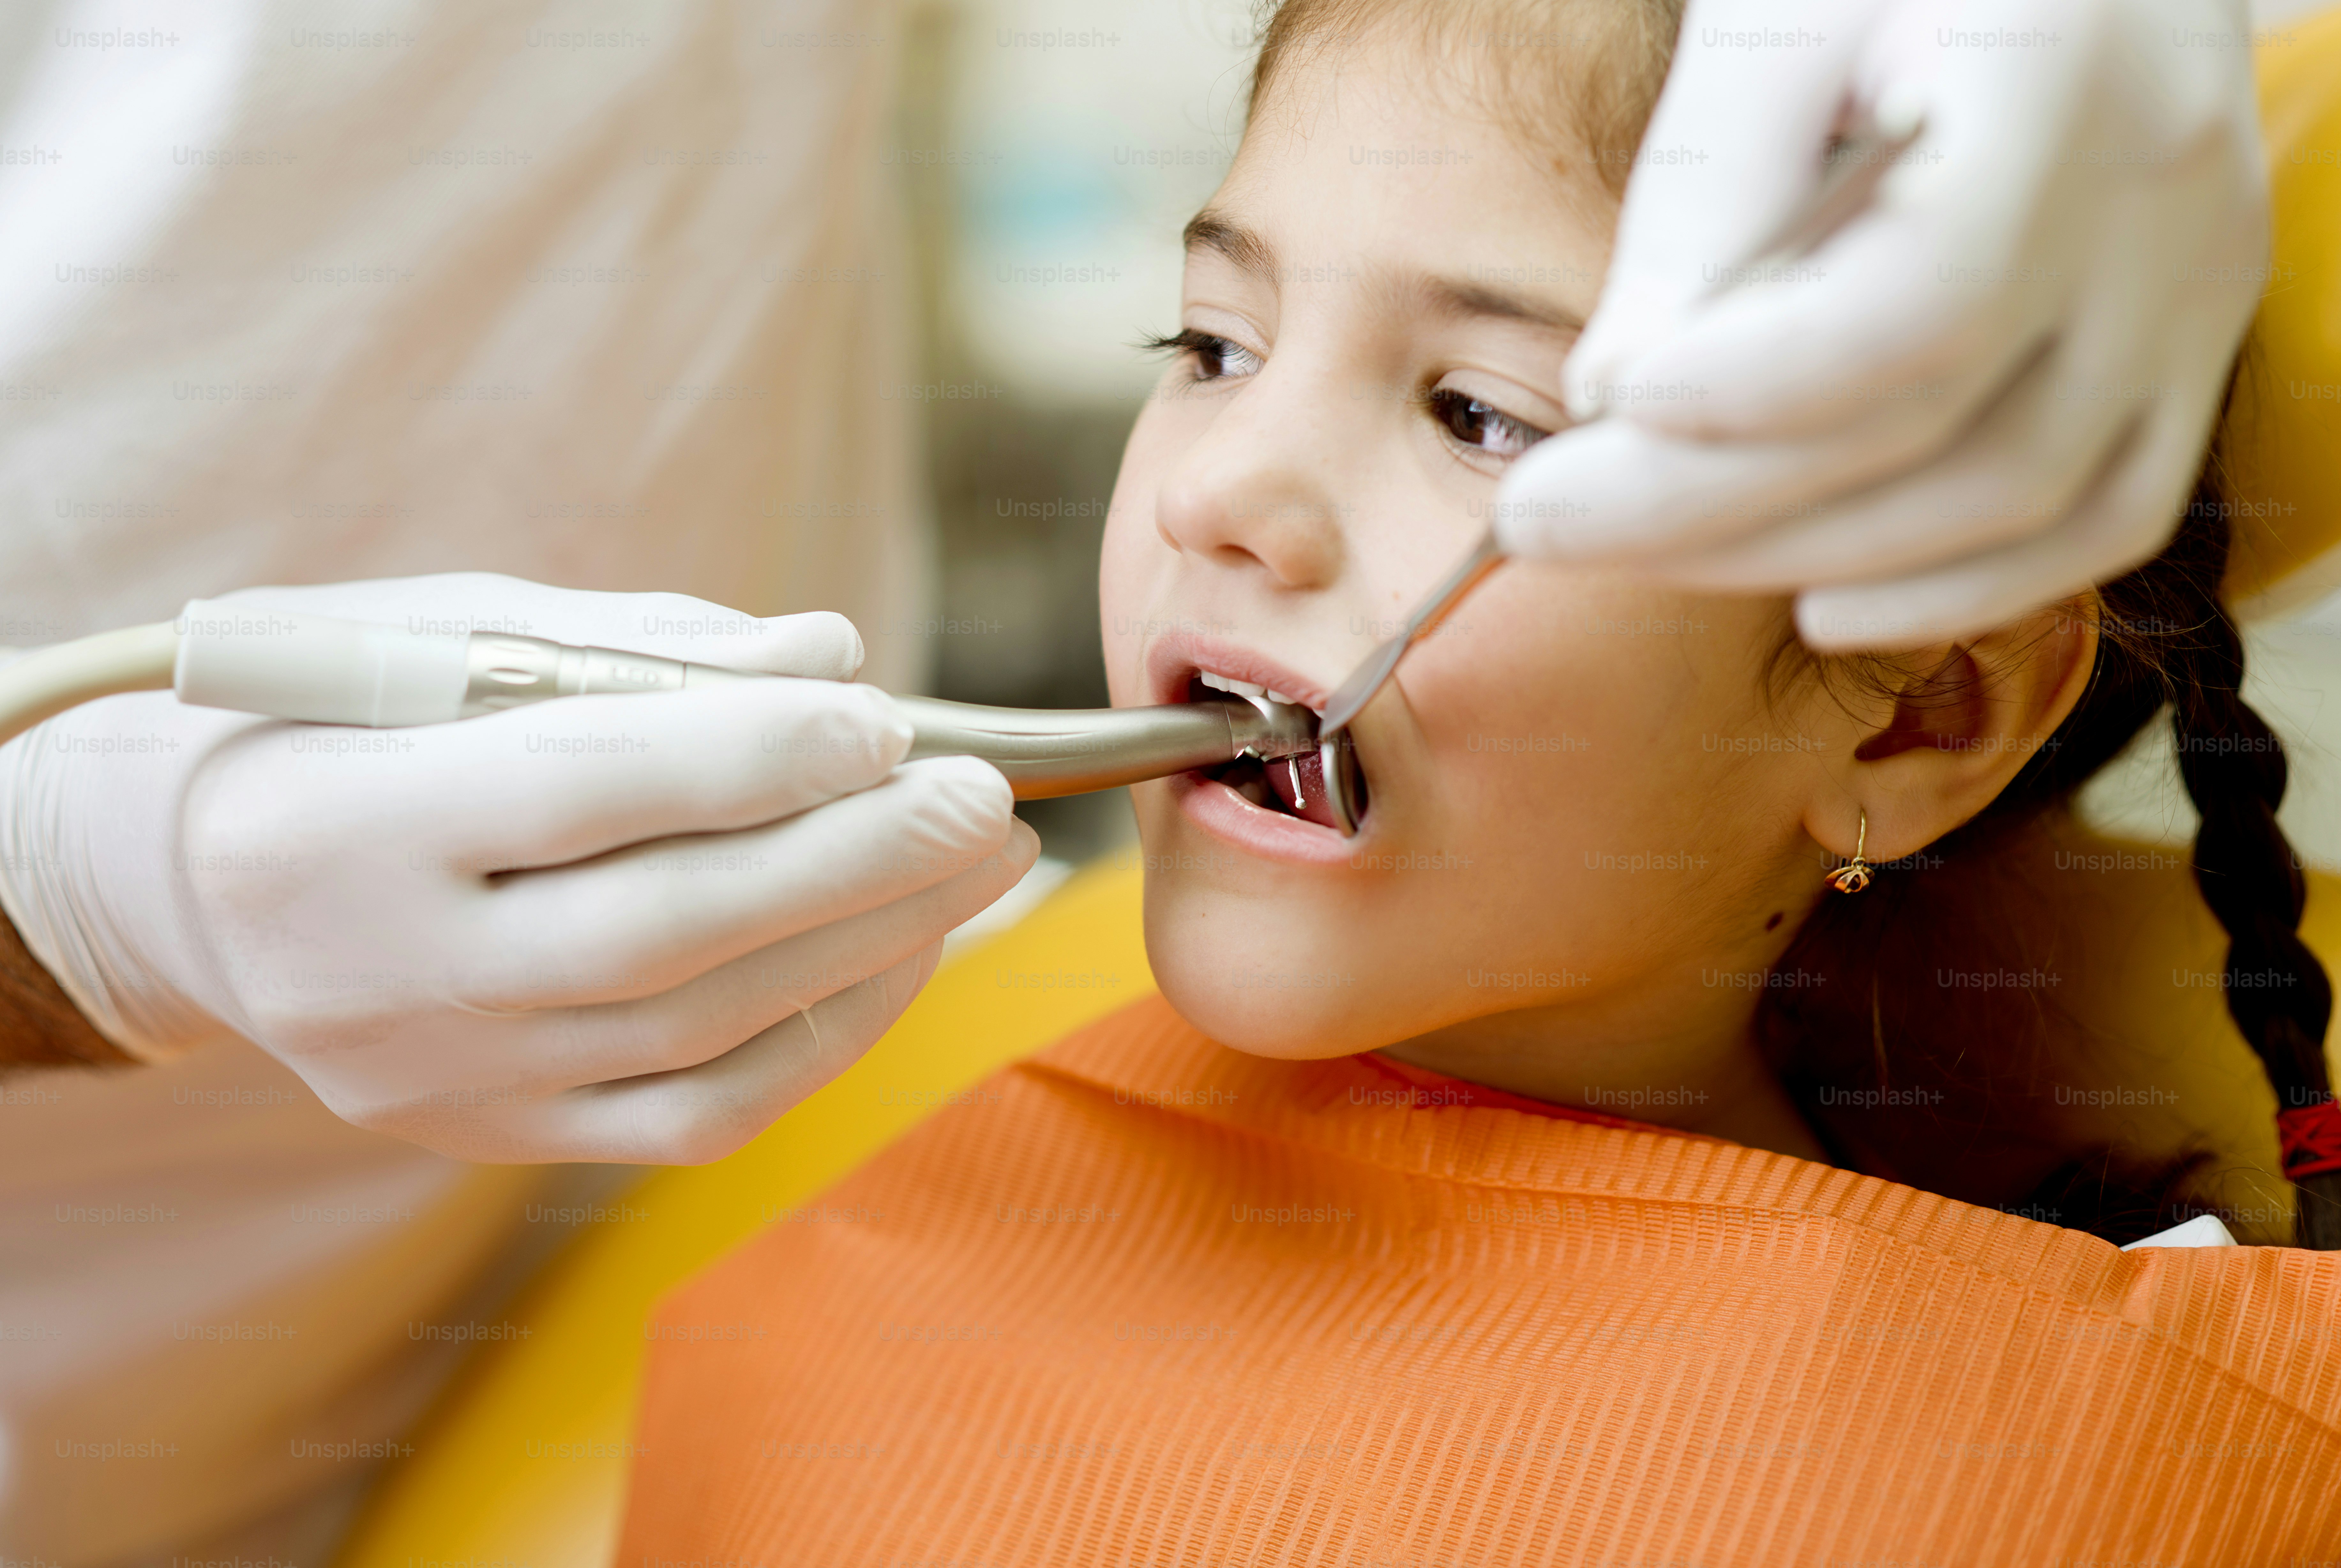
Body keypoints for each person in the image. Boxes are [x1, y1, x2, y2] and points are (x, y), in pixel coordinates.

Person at [617, 2, 2341, 1560]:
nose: (1221, 489)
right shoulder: (870, 1131)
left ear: (1911, 719)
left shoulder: (2077, 1465)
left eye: (1479, 414)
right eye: (1213, 345)